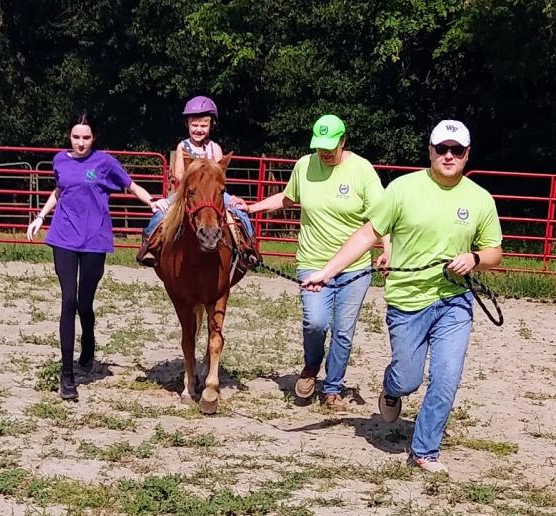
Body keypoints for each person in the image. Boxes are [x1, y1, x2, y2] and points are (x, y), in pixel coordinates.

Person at [302, 120, 502, 473]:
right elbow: (367, 235)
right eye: (442, 148)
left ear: (467, 154)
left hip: (454, 301)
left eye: (457, 150)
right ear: (430, 151)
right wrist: (327, 272)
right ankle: (392, 389)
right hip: (408, 303)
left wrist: (473, 259)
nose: (449, 155)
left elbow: (494, 252)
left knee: (446, 376)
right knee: (408, 378)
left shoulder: (479, 199)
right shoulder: (403, 189)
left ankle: (425, 450)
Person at [232, 114, 390, 411]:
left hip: (355, 267)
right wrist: (252, 207)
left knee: (343, 331)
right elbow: (288, 198)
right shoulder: (304, 166)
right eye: (320, 147)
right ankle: (310, 366)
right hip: (313, 260)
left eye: (331, 146)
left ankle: (332, 387)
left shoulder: (362, 170)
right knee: (315, 322)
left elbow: (382, 217)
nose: (325, 152)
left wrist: (387, 251)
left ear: (344, 141)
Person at [27, 113, 158, 401]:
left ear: (94, 137)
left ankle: (88, 340)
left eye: (86, 137)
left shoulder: (105, 162)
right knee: (69, 301)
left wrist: (152, 202)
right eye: (76, 137)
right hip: (63, 237)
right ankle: (67, 375)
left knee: (84, 304)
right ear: (69, 136)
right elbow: (59, 190)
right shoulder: (60, 160)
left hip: (94, 241)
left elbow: (130, 185)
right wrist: (40, 216)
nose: (81, 142)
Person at [137, 95, 253, 267]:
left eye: (203, 125)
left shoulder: (215, 148)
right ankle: (150, 245)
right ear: (187, 125)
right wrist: (196, 183)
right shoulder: (183, 147)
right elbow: (178, 174)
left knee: (239, 211)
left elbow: (220, 174)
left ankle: (248, 248)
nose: (199, 129)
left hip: (213, 193)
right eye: (195, 125)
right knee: (161, 212)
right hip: (188, 191)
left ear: (211, 126)